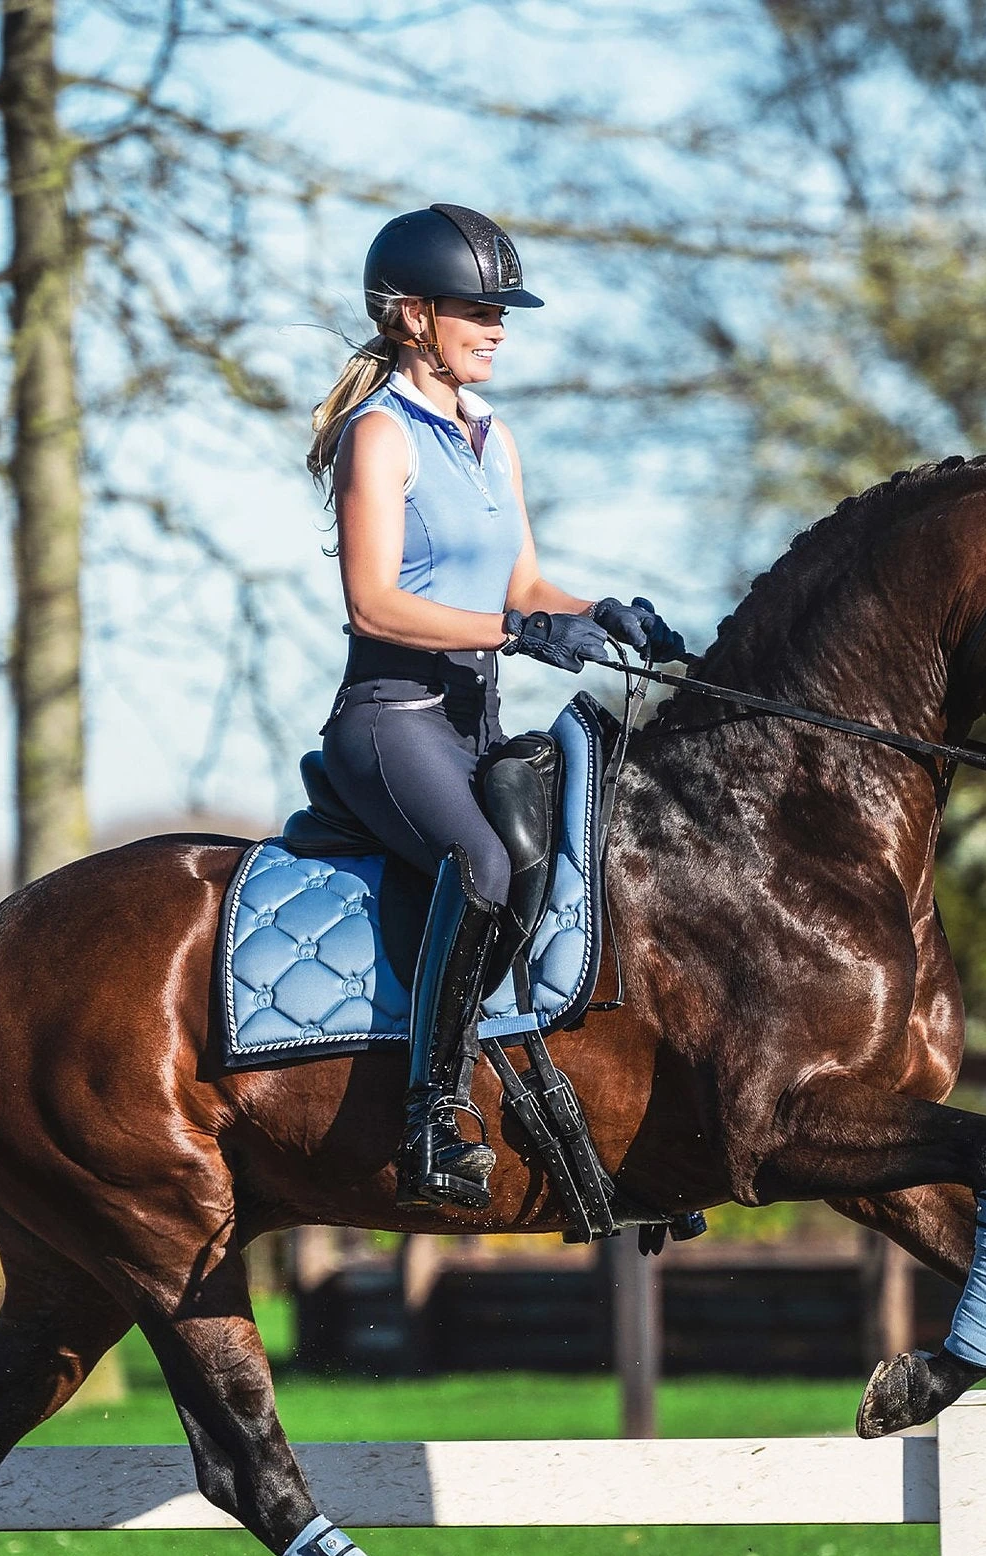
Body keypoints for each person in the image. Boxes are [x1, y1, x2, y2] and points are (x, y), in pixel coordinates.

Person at [306, 203, 684, 1214]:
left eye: (502, 310)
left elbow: (523, 582)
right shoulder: (379, 437)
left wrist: (597, 607)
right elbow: (373, 602)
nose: (498, 327)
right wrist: (518, 634)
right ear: (411, 317)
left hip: (472, 721)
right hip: (391, 717)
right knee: (477, 865)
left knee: (594, 846)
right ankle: (430, 1115)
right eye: (479, 309)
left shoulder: (490, 436)